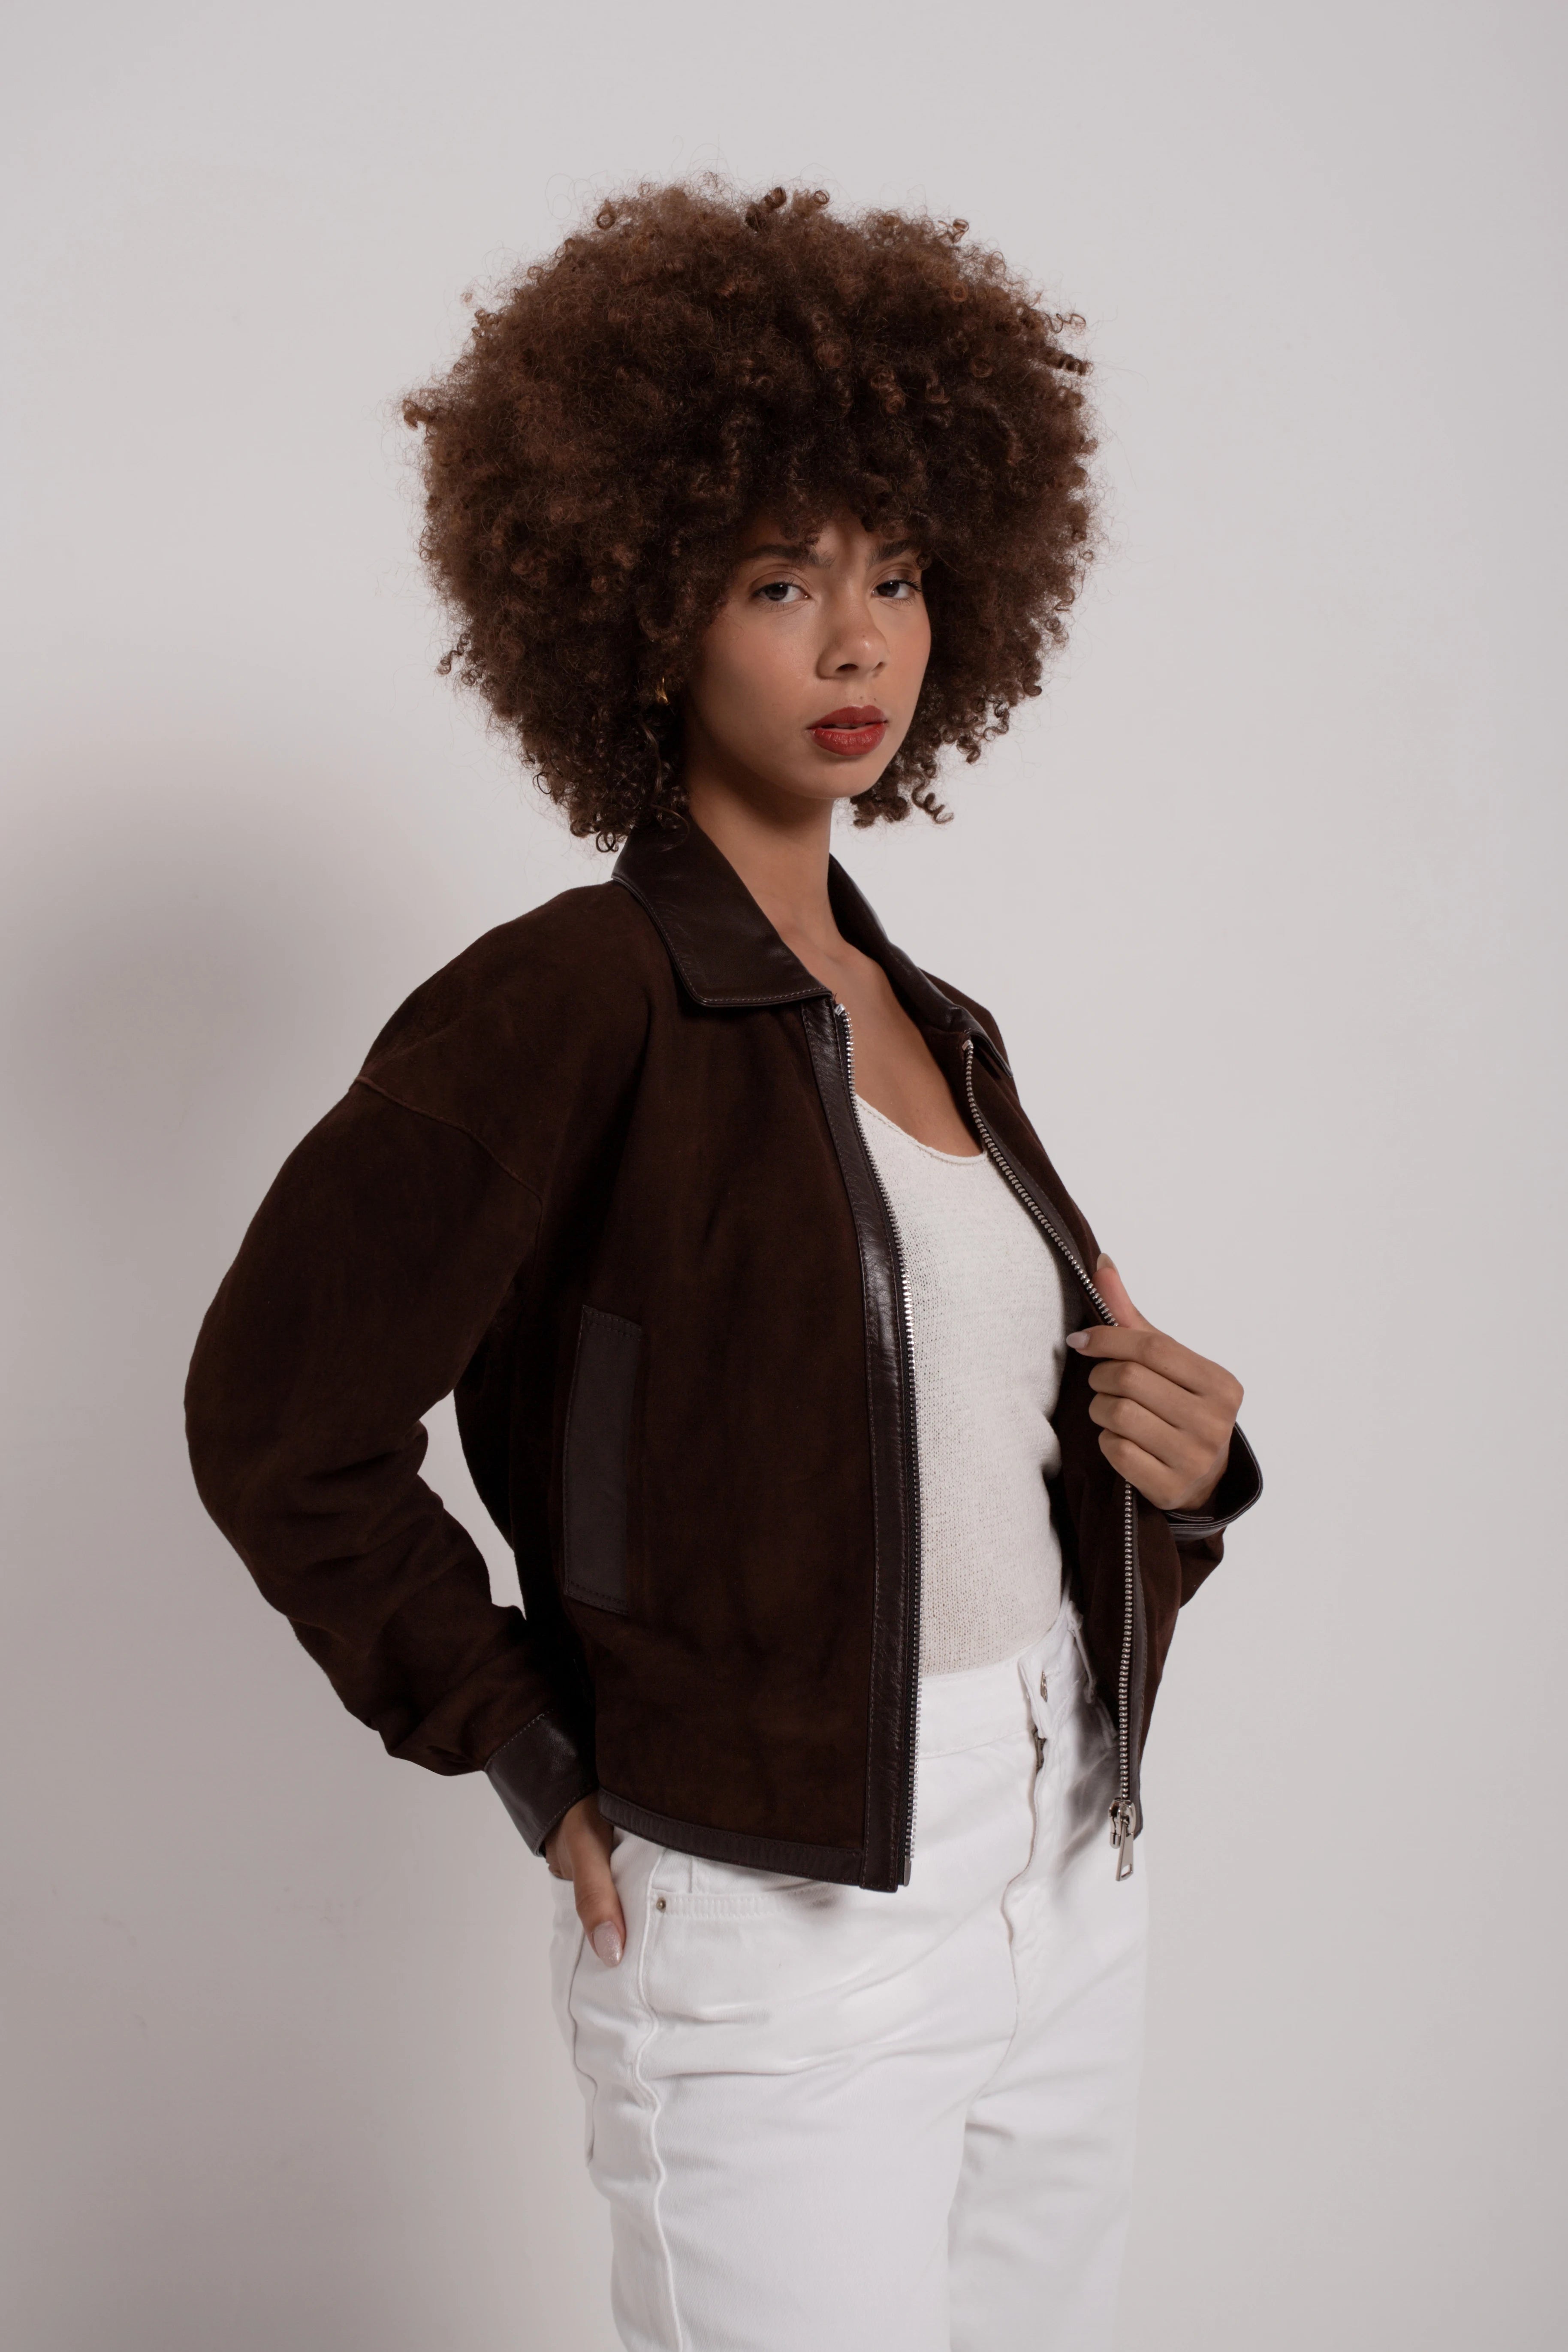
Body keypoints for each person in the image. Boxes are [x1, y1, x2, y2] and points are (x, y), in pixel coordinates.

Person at [187, 181, 1260, 2352]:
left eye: (896, 576)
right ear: (642, 606)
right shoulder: (567, 999)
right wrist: (523, 1744)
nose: (857, 645)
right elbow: (277, 1422)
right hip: (774, 1923)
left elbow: (974, 1460)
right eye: (780, 582)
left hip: (1064, 1859)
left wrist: (1188, 1472)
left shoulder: (936, 1023)